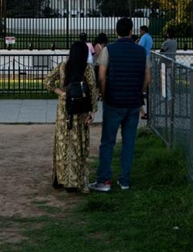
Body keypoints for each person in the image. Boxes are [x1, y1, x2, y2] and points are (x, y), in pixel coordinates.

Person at [90, 18, 150, 193]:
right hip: (133, 102)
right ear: (131, 32)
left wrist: (103, 93)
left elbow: (101, 77)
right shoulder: (141, 51)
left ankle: (104, 180)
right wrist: (139, 92)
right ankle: (124, 180)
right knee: (129, 142)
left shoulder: (109, 49)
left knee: (108, 141)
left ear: (116, 32)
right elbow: (147, 78)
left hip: (114, 101)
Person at [44, 42, 98, 192]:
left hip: (64, 112)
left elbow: (47, 81)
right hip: (81, 112)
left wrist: (60, 93)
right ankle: (77, 180)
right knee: (78, 145)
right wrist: (92, 112)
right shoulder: (87, 69)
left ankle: (62, 179)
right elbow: (93, 90)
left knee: (63, 145)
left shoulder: (63, 66)